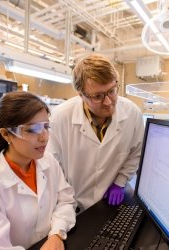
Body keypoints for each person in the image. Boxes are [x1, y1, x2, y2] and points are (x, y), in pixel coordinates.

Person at [0, 91, 76, 250]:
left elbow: (66, 201)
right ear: (6, 134)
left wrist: (56, 234)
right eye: (32, 129)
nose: (44, 137)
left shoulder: (48, 162)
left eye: (46, 126)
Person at [47, 53, 144, 211]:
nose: (108, 102)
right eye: (97, 96)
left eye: (112, 91)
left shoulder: (132, 113)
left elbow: (136, 153)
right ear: (81, 95)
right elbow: (53, 165)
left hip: (110, 200)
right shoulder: (60, 117)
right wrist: (65, 202)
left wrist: (120, 182)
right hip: (72, 203)